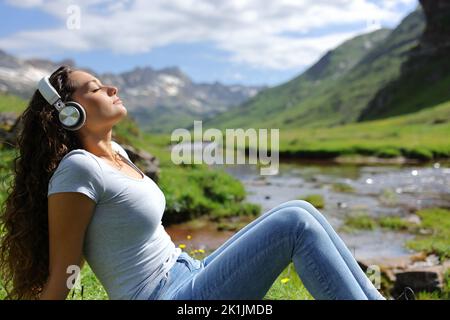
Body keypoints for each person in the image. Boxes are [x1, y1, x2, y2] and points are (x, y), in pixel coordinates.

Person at [0, 65, 386, 300]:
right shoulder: (78, 168)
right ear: (69, 113)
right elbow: (68, 265)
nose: (112, 88)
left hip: (189, 271)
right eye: (97, 88)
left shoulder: (119, 155)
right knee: (294, 226)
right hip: (166, 295)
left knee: (298, 208)